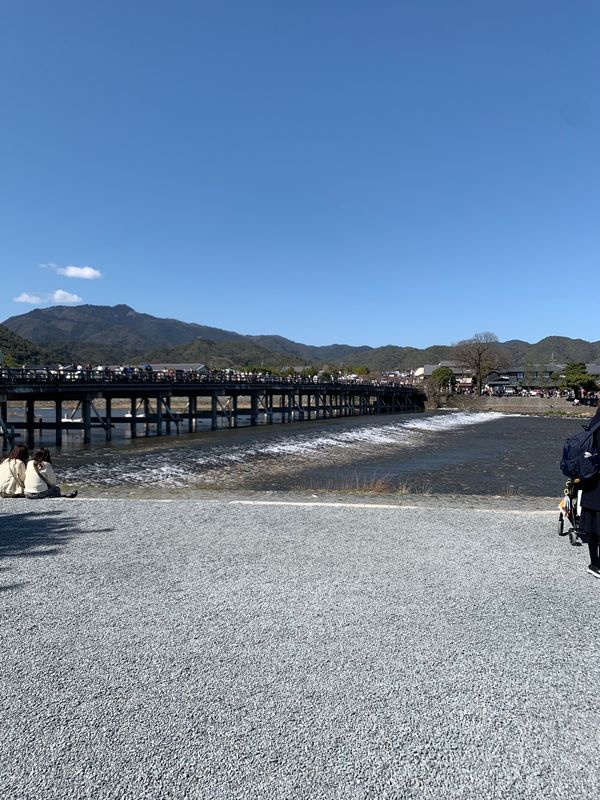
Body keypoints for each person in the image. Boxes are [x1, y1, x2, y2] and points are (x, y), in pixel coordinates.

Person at [577, 406, 600, 577]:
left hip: (591, 482)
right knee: (595, 526)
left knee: (593, 526)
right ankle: (594, 564)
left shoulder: (595, 421)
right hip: (596, 483)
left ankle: (594, 563)